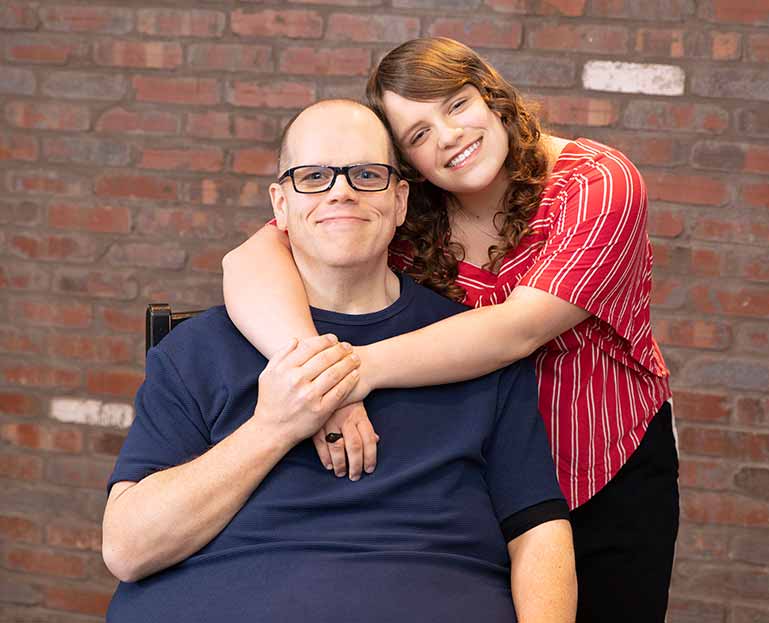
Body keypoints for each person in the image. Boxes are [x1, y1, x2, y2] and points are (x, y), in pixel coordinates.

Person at [222, 37, 679, 622]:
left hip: (605, 463)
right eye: (417, 134)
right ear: (407, 164)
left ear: (491, 96)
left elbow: (515, 331)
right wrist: (315, 378)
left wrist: (342, 377)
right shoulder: (406, 206)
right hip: (478, 475)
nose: (448, 136)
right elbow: (250, 258)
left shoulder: (598, 184)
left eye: (456, 106)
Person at [102, 99, 577, 623]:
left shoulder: (471, 347)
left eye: (366, 174)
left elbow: (538, 532)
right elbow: (128, 549)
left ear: (400, 202)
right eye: (313, 176)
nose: (340, 190)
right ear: (279, 205)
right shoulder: (197, 350)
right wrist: (275, 425)